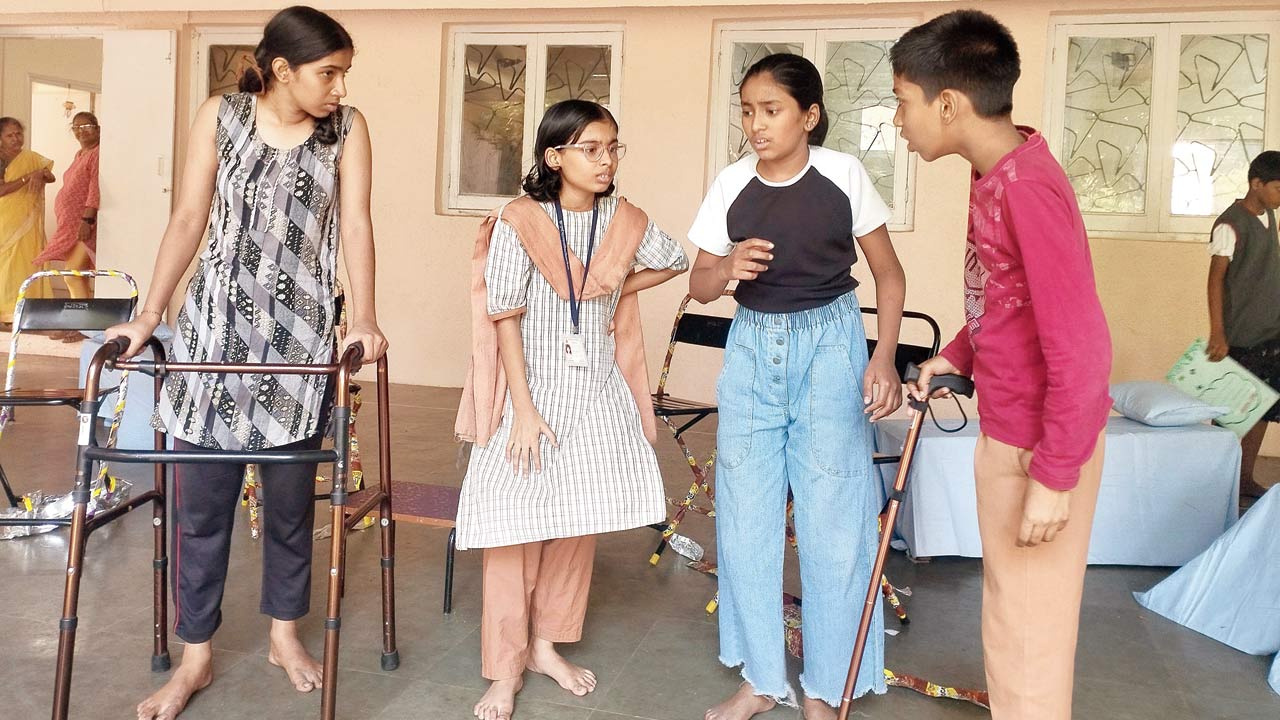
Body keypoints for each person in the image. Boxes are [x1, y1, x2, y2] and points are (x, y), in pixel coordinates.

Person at [105, 7, 386, 720]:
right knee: (201, 512)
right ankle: (195, 656)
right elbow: (187, 218)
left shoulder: (347, 131)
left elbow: (355, 224)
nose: (339, 85)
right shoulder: (222, 116)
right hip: (211, 338)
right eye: (329, 72)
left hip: (298, 346)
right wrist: (149, 313)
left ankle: (283, 636)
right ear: (283, 70)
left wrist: (366, 318)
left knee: (291, 510)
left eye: (344, 72)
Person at [894, 11, 1112, 720]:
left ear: (948, 104)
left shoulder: (1025, 186)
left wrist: (1055, 477)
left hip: (1040, 446)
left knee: (1031, 635)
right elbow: (1008, 299)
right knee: (1014, 621)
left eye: (903, 101)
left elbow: (1081, 345)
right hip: (1012, 430)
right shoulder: (996, 171)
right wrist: (954, 354)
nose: (899, 120)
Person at [687, 53, 906, 720]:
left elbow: (889, 277)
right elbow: (698, 285)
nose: (756, 124)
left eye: (771, 110)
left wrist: (885, 359)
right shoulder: (730, 184)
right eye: (748, 111)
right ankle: (760, 679)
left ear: (809, 116)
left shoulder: (842, 176)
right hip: (754, 346)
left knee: (834, 520)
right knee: (747, 515)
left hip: (831, 346)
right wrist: (725, 266)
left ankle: (824, 686)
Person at [454, 99, 689, 720]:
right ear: (554, 156)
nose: (605, 160)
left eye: (613, 147)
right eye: (590, 148)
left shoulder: (623, 218)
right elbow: (503, 314)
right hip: (530, 392)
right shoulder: (520, 220)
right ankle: (502, 672)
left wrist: (607, 285)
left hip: (596, 393)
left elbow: (674, 259)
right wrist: (524, 412)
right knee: (512, 528)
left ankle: (544, 646)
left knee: (575, 521)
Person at [1207, 150, 1280, 500]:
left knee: (1264, 406)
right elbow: (1215, 280)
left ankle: (1245, 477)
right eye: (1279, 188)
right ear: (1257, 184)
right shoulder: (1229, 224)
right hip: (1241, 334)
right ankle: (1214, 482)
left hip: (1271, 332)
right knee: (1230, 412)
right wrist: (1218, 332)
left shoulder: (1269, 217)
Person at [36, 111, 101, 309]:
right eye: (76, 128)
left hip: (86, 224)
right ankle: (82, 324)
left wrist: (87, 220)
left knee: (73, 274)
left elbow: (95, 187)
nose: (81, 131)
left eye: (87, 126)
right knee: (76, 276)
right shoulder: (80, 154)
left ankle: (82, 324)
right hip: (71, 225)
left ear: (98, 129)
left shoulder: (99, 153)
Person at [0, 116, 55, 326]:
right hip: (5, 220)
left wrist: (40, 174)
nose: (16, 138)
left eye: (18, 134)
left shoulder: (30, 157)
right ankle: (6, 312)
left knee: (26, 263)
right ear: (1, 138)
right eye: (10, 135)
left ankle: (29, 308)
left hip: (28, 224)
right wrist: (27, 177)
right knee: (6, 266)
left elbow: (51, 177)